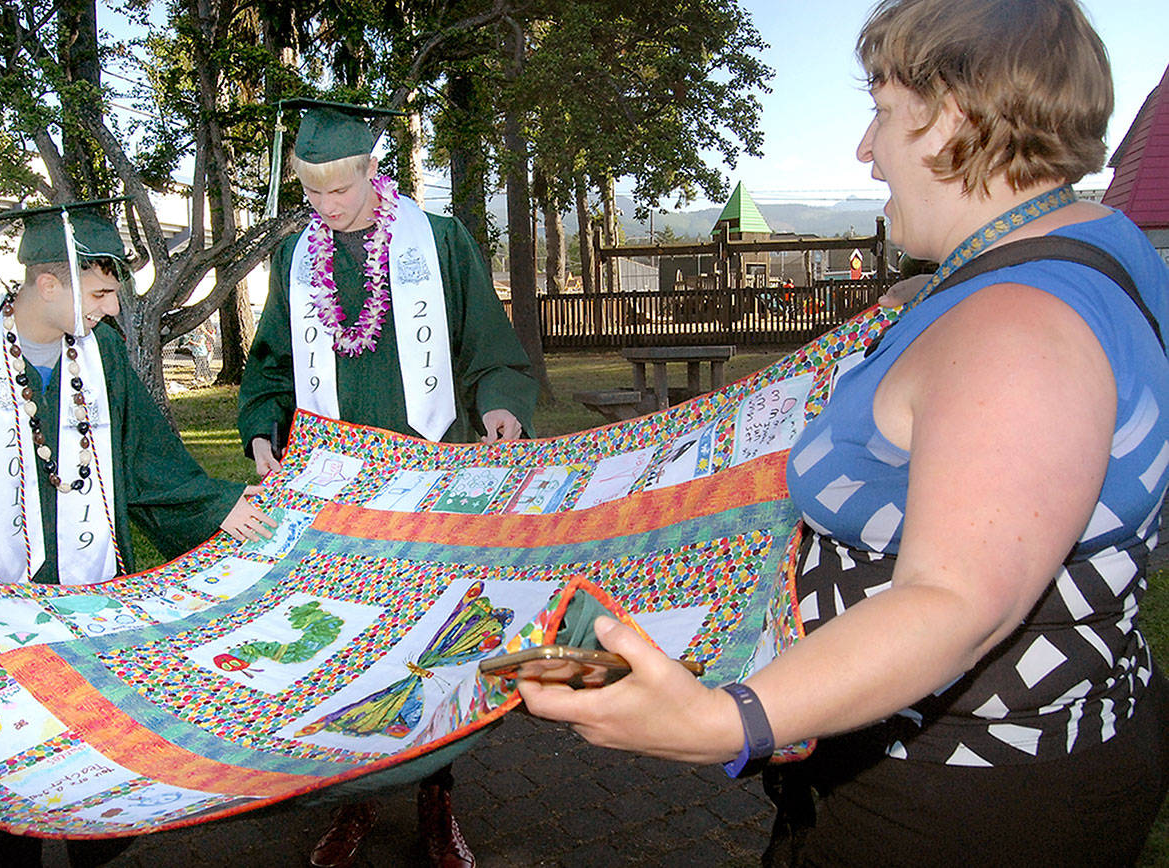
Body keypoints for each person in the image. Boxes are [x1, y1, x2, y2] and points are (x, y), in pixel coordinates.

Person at [518, 1, 1169, 865]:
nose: (866, 149)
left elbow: (958, 601)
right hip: (1038, 752)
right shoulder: (1091, 242)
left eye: (882, 111)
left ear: (951, 118)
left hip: (956, 801)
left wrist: (727, 721)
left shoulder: (1016, 330)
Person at [0, 200, 276, 868]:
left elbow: (146, 457)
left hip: (91, 609)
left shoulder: (102, 353)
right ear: (47, 283)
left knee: (97, 776)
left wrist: (215, 507)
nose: (114, 308)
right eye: (103, 292)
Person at [237, 99, 538, 868]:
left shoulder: (438, 241)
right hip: (336, 493)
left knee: (433, 646)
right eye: (311, 195)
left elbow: (486, 344)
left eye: (339, 192)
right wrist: (262, 430)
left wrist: (499, 406)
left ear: (375, 171)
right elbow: (271, 361)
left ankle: (437, 804)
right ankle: (355, 800)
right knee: (345, 648)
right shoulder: (294, 259)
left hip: (429, 482)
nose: (325, 209)